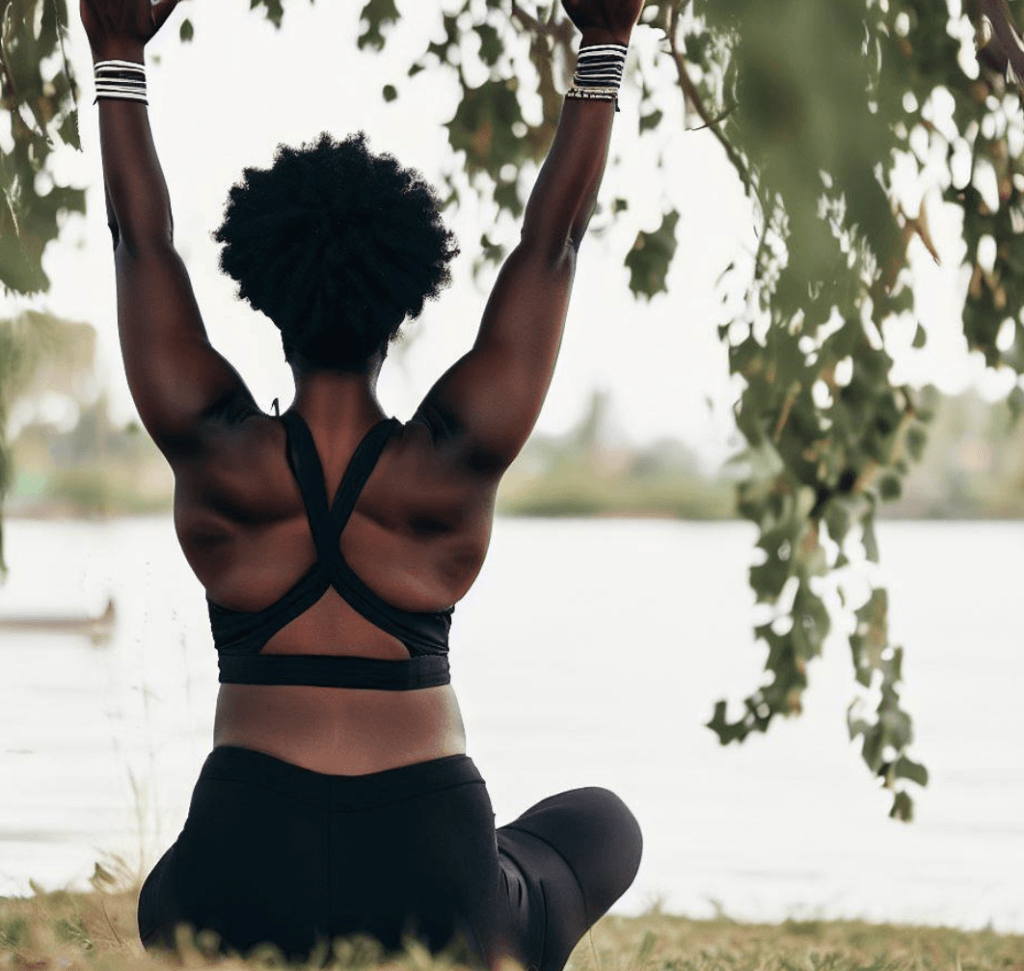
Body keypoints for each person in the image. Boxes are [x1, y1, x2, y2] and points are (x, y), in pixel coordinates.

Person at [80, 0, 645, 968]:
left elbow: (142, 244)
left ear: (267, 296)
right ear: (400, 303)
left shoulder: (219, 456)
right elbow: (548, 247)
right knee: (602, 823)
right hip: (430, 862)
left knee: (164, 895)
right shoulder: (449, 460)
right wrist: (603, 44)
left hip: (244, 850)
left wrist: (117, 53)